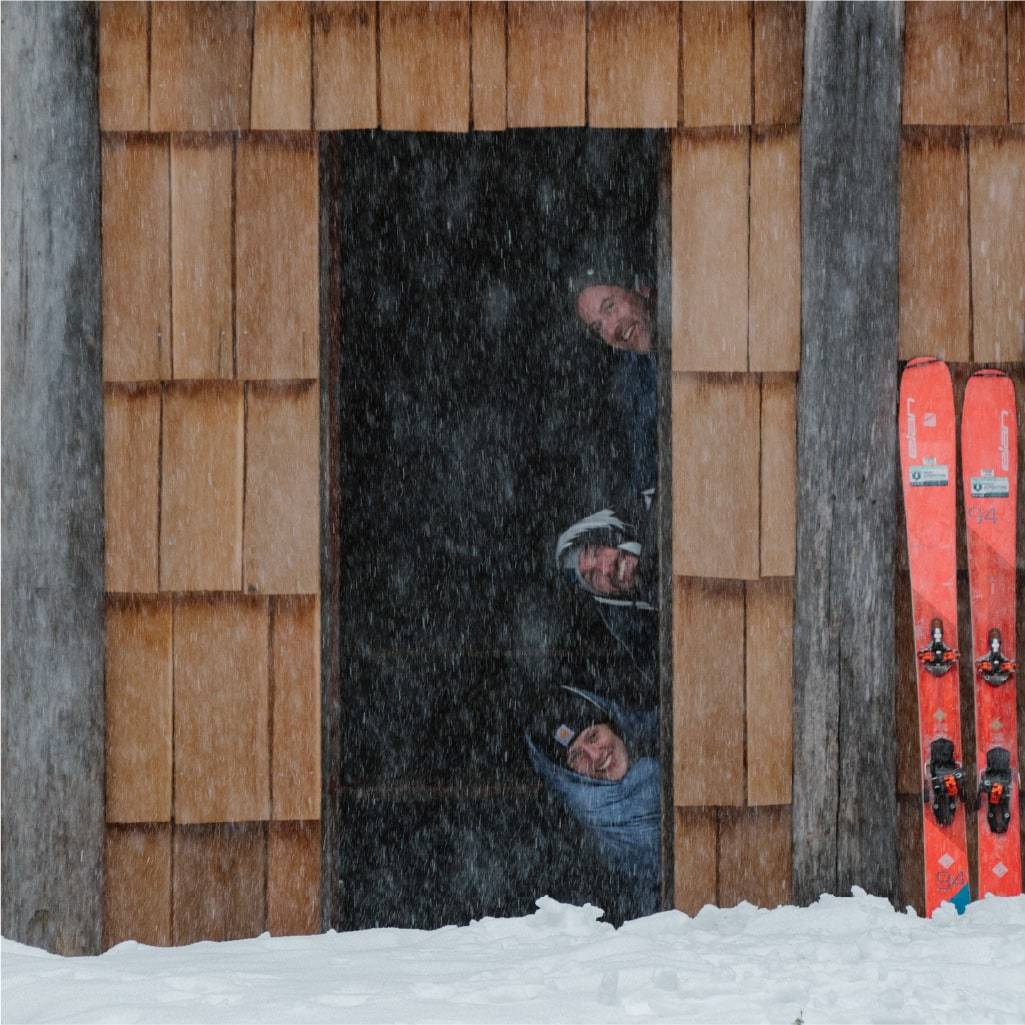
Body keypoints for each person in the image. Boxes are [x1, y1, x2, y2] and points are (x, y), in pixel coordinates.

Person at [526, 685, 661, 916]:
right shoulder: (582, 826)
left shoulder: (678, 741)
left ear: (612, 725)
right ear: (569, 775)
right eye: (577, 756)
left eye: (593, 736)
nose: (596, 756)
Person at [555, 488, 658, 693]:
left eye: (595, 551)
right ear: (601, 595)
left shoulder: (662, 502)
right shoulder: (638, 630)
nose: (606, 568)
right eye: (593, 578)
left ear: (609, 532)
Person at [570, 266, 658, 492]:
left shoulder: (699, 334)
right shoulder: (631, 382)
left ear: (641, 289)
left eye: (609, 307)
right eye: (598, 327)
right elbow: (644, 482)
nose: (611, 329)